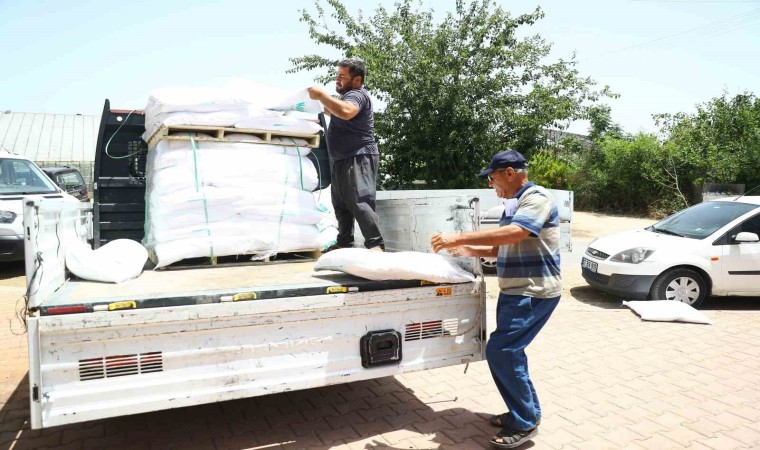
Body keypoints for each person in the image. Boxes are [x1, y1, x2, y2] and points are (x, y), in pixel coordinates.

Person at [430, 149, 561, 449]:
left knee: (503, 351)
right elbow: (504, 247)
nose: (491, 185)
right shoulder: (513, 205)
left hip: (533, 291)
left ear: (510, 173)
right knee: (508, 352)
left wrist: (458, 237)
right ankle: (524, 413)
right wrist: (470, 250)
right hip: (516, 290)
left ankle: (525, 421)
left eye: (492, 178)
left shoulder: (537, 198)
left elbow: (516, 233)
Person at [307, 59, 385, 252]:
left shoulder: (357, 95)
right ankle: (344, 241)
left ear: (357, 80)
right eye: (337, 76)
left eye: (342, 76)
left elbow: (346, 111)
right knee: (341, 203)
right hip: (342, 158)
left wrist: (322, 95)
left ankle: (375, 245)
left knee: (360, 201)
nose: (337, 80)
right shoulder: (345, 98)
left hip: (358, 156)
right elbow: (334, 109)